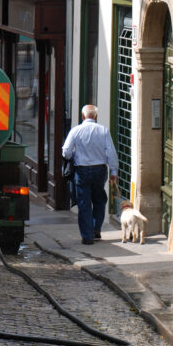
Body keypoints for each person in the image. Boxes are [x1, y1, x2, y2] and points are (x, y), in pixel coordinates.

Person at [62, 105, 118, 245]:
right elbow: (111, 152)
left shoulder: (76, 130)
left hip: (82, 170)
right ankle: (95, 229)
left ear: (82, 116)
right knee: (99, 199)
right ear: (96, 117)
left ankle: (87, 236)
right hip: (99, 169)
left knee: (84, 202)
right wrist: (114, 171)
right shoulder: (103, 130)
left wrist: (75, 154)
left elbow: (66, 152)